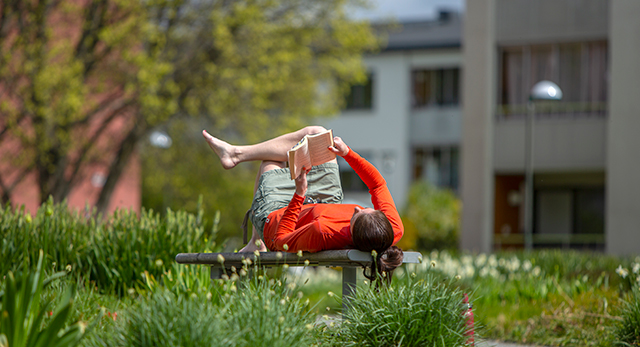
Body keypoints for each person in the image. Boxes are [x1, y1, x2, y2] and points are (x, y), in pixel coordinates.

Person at [203, 126, 404, 282]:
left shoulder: (323, 231)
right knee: (318, 135)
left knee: (271, 163)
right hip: (325, 203)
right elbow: (377, 185)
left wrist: (299, 193)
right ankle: (235, 154)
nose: (357, 207)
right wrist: (347, 153)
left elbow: (281, 241)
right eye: (367, 210)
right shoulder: (392, 228)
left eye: (356, 216)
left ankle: (257, 240)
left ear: (350, 232)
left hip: (279, 218)